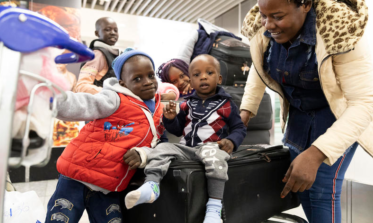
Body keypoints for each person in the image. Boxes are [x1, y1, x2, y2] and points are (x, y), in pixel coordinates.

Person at [239, 0, 373, 222]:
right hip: (300, 112)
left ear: (305, 5)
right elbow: (259, 66)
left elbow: (365, 103)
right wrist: (243, 117)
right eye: (264, 16)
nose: (268, 25)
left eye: (277, 17)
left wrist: (316, 154)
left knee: (321, 192)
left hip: (338, 113)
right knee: (301, 186)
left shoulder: (341, 28)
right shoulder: (266, 20)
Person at [45, 50, 167, 223]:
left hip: (109, 186)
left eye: (150, 75)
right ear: (123, 84)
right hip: (76, 176)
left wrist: (143, 153)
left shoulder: (160, 111)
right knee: (60, 219)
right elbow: (83, 104)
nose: (147, 82)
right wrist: (51, 100)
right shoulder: (115, 99)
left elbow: (160, 144)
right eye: (137, 79)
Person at [125, 55, 247, 223]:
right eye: (196, 75)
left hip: (211, 147)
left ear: (219, 78)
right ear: (191, 81)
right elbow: (176, 130)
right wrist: (169, 119)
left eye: (209, 73)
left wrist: (232, 141)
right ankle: (151, 186)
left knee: (217, 160)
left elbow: (239, 128)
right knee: (162, 149)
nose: (203, 77)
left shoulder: (227, 105)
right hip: (186, 148)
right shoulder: (185, 104)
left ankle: (214, 208)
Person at [75, 17, 121, 94]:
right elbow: (82, 86)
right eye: (107, 29)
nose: (113, 32)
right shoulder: (98, 54)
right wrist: (115, 95)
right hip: (101, 103)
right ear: (97, 33)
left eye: (115, 30)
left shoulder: (113, 54)